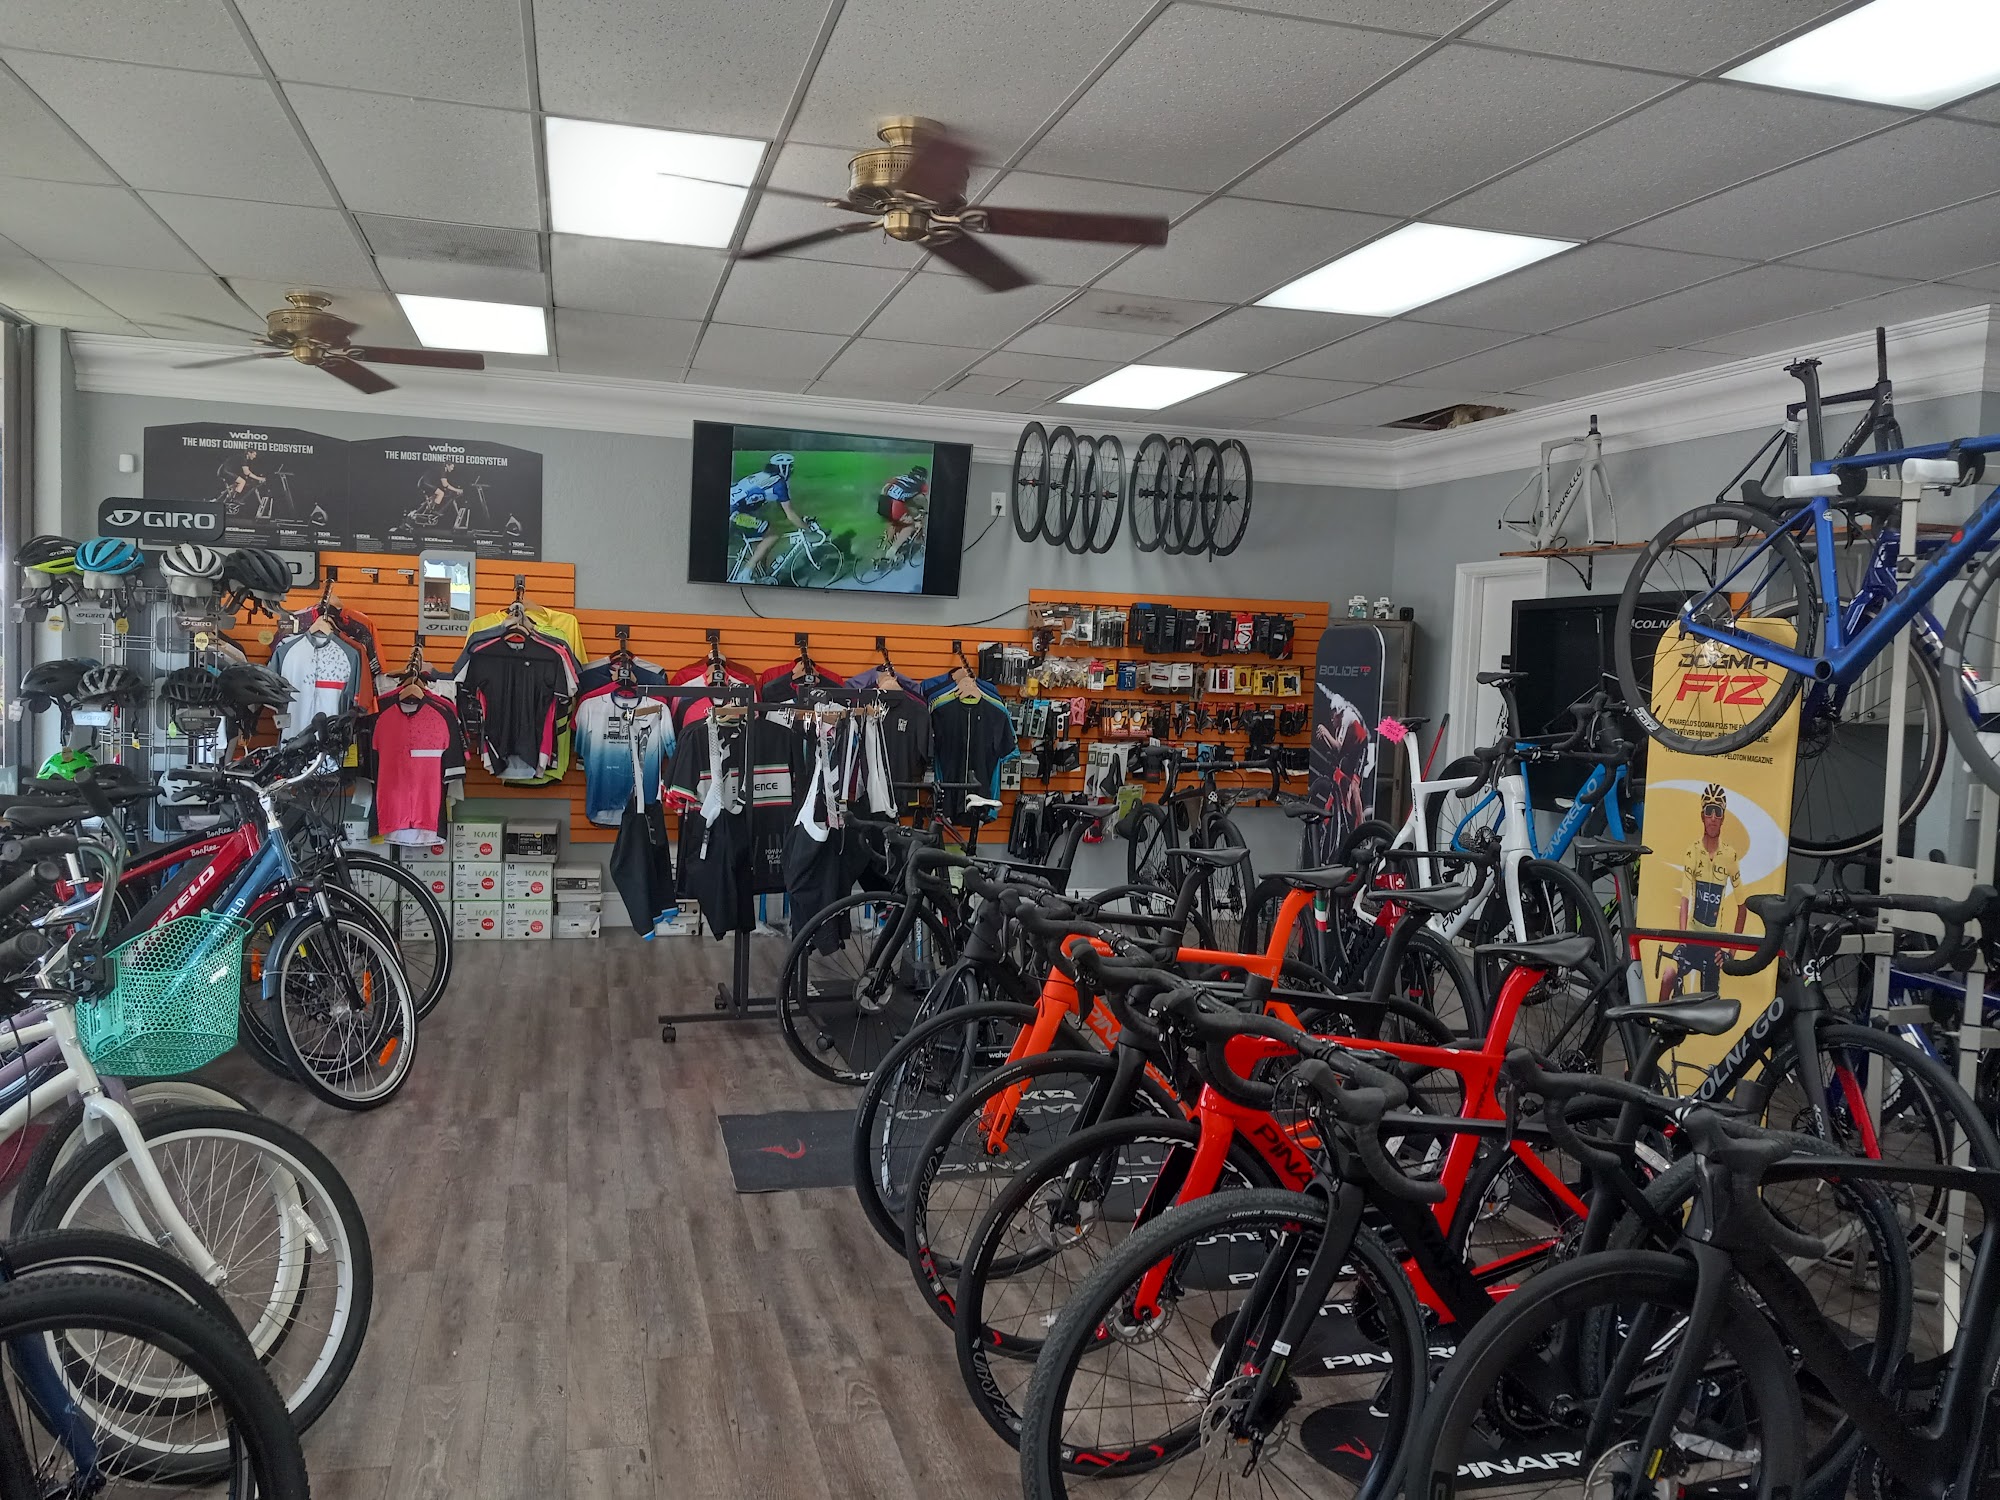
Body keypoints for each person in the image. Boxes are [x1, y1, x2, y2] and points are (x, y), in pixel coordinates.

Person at [1658, 781, 1747, 1001]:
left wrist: (1731, 953)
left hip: (1712, 944)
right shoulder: (1693, 851)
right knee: (1668, 975)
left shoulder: (1730, 856)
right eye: (1709, 811)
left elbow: (1742, 909)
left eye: (1718, 812)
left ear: (1723, 818)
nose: (1713, 817)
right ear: (1702, 816)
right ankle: (1657, 1018)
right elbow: (1685, 899)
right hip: (1691, 938)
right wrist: (1682, 938)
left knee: (1710, 1004)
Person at [729, 453, 809, 583]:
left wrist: (800, 518)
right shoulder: (778, 483)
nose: (792, 470)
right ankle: (745, 575)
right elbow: (789, 513)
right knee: (773, 535)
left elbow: (783, 509)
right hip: (736, 513)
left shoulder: (763, 476)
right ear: (783, 467)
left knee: (761, 542)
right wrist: (806, 528)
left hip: (734, 508)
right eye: (790, 467)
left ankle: (760, 574)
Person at [877, 463, 929, 567]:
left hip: (883, 500)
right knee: (910, 526)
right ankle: (892, 551)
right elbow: (922, 499)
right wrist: (924, 511)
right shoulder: (921, 484)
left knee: (894, 522)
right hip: (894, 505)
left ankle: (884, 547)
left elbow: (887, 487)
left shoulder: (901, 477)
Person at [218, 449, 267, 517]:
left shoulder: (242, 458)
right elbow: (247, 472)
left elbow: (245, 472)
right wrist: (259, 478)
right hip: (225, 471)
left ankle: (228, 499)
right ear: (249, 453)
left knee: (237, 485)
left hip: (226, 470)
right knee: (242, 482)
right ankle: (235, 499)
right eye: (254, 454)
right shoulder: (243, 458)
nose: (255, 456)